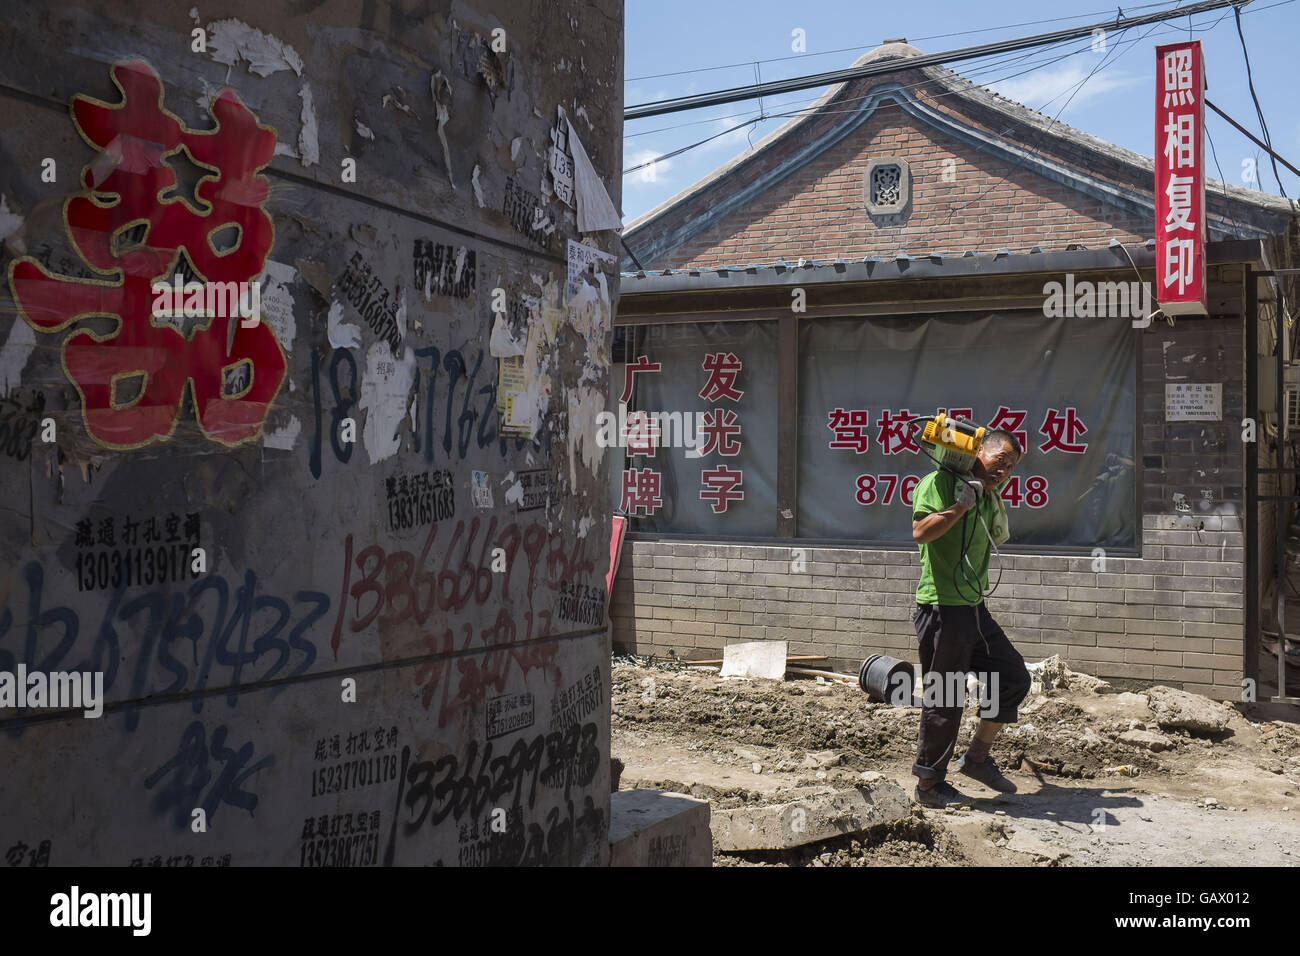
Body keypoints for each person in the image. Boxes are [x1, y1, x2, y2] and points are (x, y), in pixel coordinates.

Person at [909, 428, 1032, 808]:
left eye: (1011, 468)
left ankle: (977, 758)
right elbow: (920, 532)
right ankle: (929, 786)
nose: (1004, 471)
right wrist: (960, 505)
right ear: (979, 451)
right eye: (1000, 461)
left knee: (1011, 677)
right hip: (942, 609)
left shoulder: (989, 494)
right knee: (945, 698)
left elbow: (997, 534)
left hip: (974, 608)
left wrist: (983, 496)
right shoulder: (940, 482)